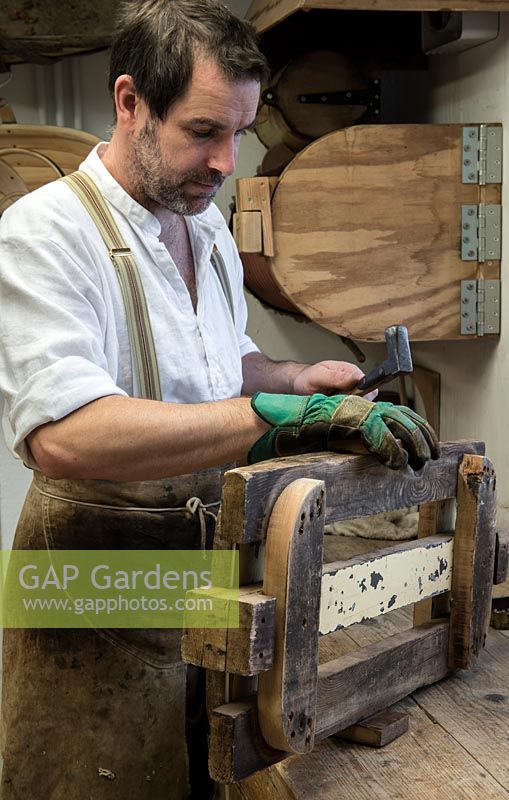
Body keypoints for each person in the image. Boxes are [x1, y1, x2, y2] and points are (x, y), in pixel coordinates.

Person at [0, 1, 438, 798]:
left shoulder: (203, 227)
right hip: (91, 574)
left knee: (205, 772)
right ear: (130, 102)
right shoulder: (42, 234)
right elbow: (63, 436)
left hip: (201, 561)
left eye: (238, 134)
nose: (226, 162)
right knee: (90, 780)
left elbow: (220, 363)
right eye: (204, 131)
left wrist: (294, 381)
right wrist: (273, 421)